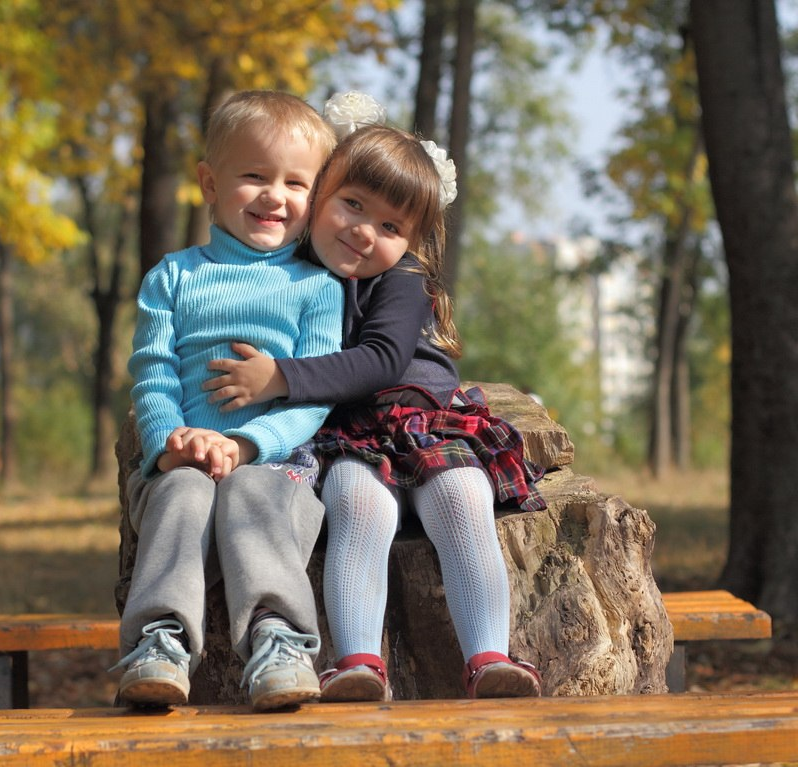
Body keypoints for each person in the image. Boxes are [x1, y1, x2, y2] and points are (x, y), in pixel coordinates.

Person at [204, 104, 547, 703]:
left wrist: (279, 376)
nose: (365, 232)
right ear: (321, 192)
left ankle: (488, 655)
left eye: (391, 227)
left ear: (414, 241)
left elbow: (383, 359)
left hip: (424, 421)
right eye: (353, 205)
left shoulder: (403, 280)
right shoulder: (292, 270)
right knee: (355, 509)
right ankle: (358, 661)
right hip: (352, 435)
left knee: (463, 501)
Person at [112, 90, 342, 712]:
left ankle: (280, 640)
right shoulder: (173, 276)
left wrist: (247, 445)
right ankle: (159, 643)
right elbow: (152, 373)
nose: (275, 196)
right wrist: (170, 442)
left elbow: (313, 395)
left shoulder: (316, 287)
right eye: (254, 176)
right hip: (180, 461)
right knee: (186, 493)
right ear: (210, 184)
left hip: (275, 461)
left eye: (297, 183)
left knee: (252, 492)